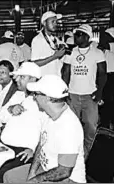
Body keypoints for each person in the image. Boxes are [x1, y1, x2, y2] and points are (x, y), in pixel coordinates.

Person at [4, 75, 86, 183]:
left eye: (36, 94)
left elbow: (64, 171)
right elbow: (42, 144)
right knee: (9, 176)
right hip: (46, 169)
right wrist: (32, 173)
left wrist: (36, 180)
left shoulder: (69, 127)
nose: (34, 97)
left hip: (67, 179)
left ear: (47, 97)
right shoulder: (48, 115)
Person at [62, 24, 107, 158]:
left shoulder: (97, 53)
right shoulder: (71, 52)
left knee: (91, 127)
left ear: (87, 37)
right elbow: (65, 72)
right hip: (73, 95)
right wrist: (65, 92)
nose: (76, 37)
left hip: (89, 96)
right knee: (71, 126)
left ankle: (86, 154)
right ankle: (72, 153)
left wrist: (99, 93)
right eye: (75, 34)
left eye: (79, 34)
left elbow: (103, 74)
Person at [0, 62, 42, 183]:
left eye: (22, 77)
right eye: (18, 77)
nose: (17, 80)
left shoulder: (42, 100)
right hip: (5, 145)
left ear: (33, 79)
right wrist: (10, 109)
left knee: (1, 173)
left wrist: (33, 149)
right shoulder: (18, 94)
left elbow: (47, 129)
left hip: (24, 151)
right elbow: (2, 116)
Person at [31, 11, 66, 76]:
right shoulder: (38, 40)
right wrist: (54, 56)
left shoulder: (55, 40)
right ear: (44, 23)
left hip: (55, 78)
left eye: (56, 22)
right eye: (52, 21)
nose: (55, 24)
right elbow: (35, 63)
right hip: (44, 80)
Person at [99, 27, 114, 129]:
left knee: (109, 101)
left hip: (111, 76)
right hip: (105, 76)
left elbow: (104, 45)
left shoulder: (111, 45)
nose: (104, 38)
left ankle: (108, 123)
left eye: (107, 36)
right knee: (105, 101)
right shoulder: (105, 48)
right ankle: (105, 124)